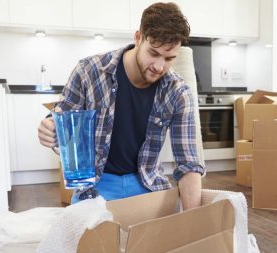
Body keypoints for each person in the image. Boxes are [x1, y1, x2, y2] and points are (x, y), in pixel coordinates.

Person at [38, 2, 205, 210]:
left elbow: (188, 163)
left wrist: (196, 221)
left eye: (170, 58)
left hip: (147, 185)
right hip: (96, 187)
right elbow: (62, 119)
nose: (160, 66)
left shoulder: (178, 92)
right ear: (138, 38)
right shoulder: (88, 71)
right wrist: (51, 129)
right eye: (153, 53)